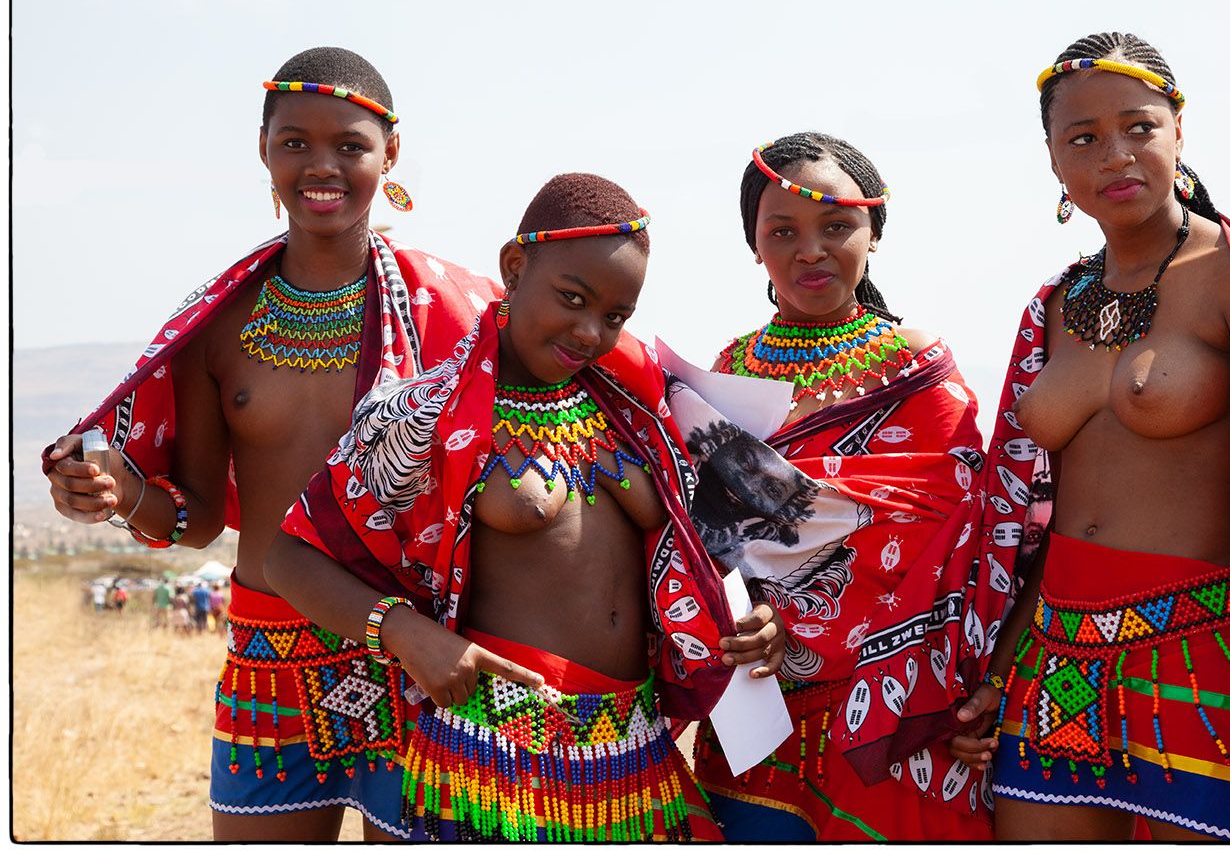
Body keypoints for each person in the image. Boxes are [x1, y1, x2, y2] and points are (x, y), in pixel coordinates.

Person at [40, 47, 499, 841]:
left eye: (350, 145)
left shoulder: (454, 314)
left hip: (414, 648)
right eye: (295, 143)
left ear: (391, 153)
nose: (322, 166)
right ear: (264, 151)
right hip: (267, 656)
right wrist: (122, 495)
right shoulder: (221, 325)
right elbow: (196, 522)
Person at [267, 173, 746, 842]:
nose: (589, 332)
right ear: (514, 268)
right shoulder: (425, 415)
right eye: (572, 299)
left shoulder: (642, 411)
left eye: (614, 316)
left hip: (630, 755)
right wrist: (404, 633)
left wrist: (758, 619)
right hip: (492, 764)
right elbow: (288, 555)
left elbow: (735, 536)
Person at [948, 32, 1230, 842]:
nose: (1114, 155)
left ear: (1179, 130)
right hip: (1059, 663)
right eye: (1082, 139)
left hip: (1210, 650)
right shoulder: (1052, 305)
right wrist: (1004, 661)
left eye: (1138, 127)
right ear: (1054, 162)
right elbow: (1035, 519)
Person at [676, 132, 992, 841]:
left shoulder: (919, 370)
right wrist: (735, 618)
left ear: (875, 233)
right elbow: (702, 534)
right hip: (756, 715)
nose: (809, 250)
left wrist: (802, 622)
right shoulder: (724, 372)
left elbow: (956, 535)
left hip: (892, 708)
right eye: (782, 231)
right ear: (754, 246)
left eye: (837, 226)